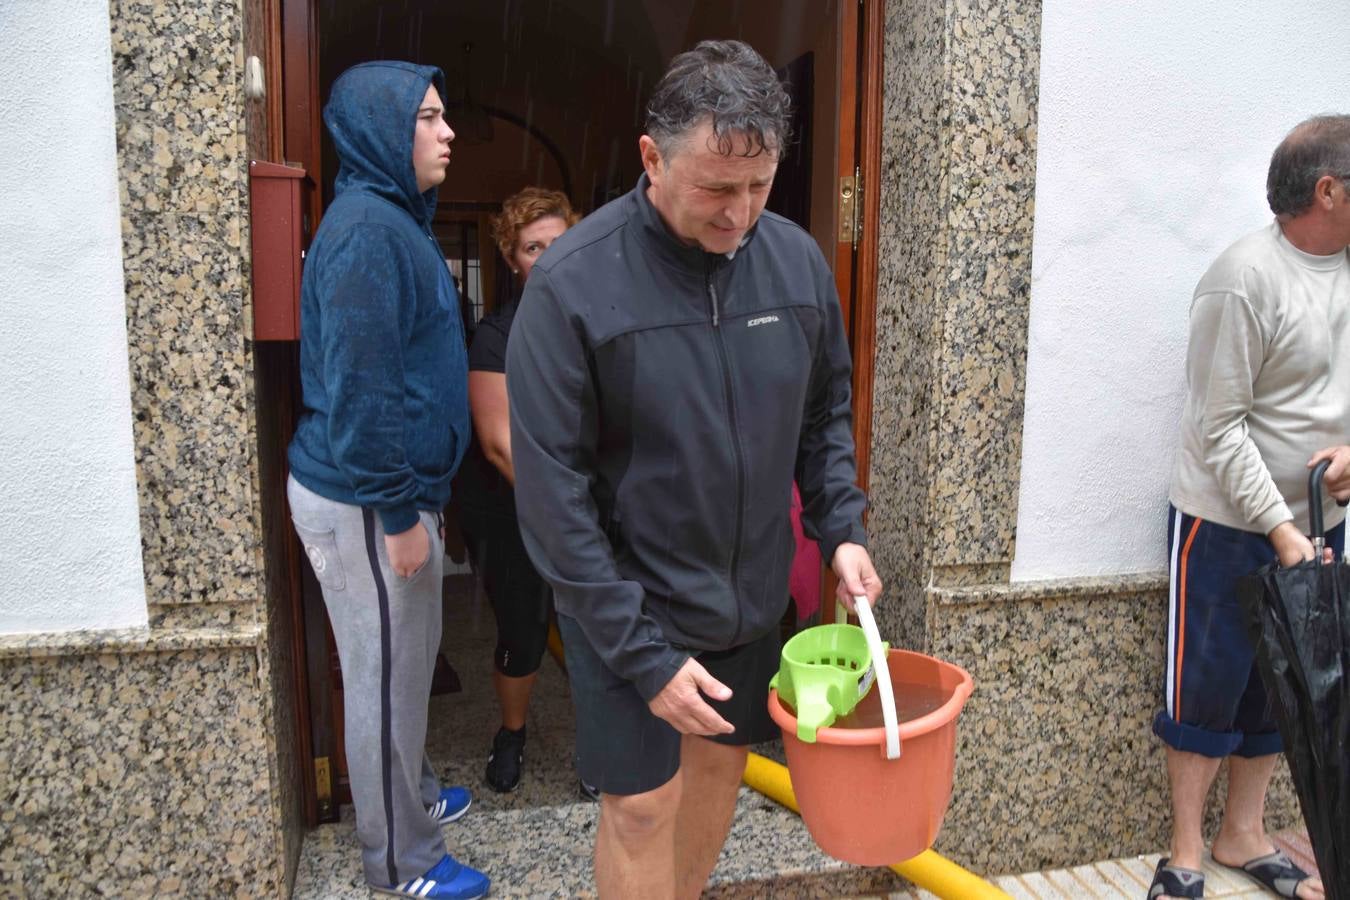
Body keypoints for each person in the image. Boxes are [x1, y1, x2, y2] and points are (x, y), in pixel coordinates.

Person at [506, 40, 882, 898]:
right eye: (716, 188)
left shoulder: (795, 264)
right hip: (625, 604)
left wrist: (842, 531)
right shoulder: (571, 285)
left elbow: (823, 416)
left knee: (718, 774)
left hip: (747, 597)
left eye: (759, 187)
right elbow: (555, 500)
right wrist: (643, 654)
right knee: (641, 805)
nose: (739, 214)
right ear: (651, 158)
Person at [285, 61, 490, 900]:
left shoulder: (387, 220)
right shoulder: (368, 232)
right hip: (369, 501)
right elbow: (364, 395)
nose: (448, 134)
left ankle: (409, 797)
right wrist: (401, 511)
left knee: (406, 667)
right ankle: (400, 866)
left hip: (387, 498)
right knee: (381, 680)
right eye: (429, 118)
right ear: (380, 128)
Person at [1152, 114, 1350, 900]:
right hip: (1226, 525)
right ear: (1328, 190)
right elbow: (1218, 425)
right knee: (1205, 689)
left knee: (1281, 685)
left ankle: (1244, 833)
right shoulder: (1244, 278)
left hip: (1321, 524)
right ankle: (1186, 850)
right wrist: (1280, 529)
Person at [452, 187, 584, 795]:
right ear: (512, 259)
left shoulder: (598, 321)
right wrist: (561, 510)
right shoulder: (496, 337)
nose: (549, 257)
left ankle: (604, 746)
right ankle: (512, 733)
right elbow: (500, 444)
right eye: (534, 247)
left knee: (596, 632)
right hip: (515, 511)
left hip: (589, 508)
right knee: (524, 632)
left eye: (559, 243)